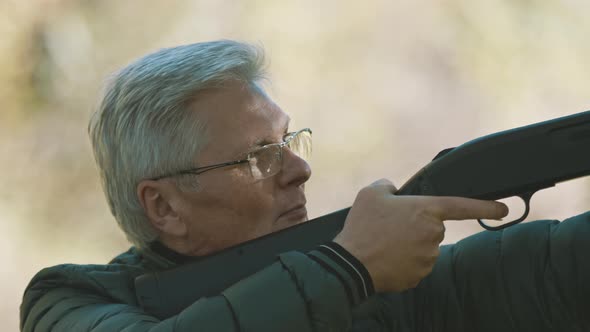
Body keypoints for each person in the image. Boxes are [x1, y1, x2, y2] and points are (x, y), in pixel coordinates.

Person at [20, 40, 590, 331]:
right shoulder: (70, 301)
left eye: (289, 141)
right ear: (164, 206)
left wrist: (357, 269)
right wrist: (350, 267)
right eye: (259, 156)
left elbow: (544, 269)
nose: (299, 169)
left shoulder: (368, 292)